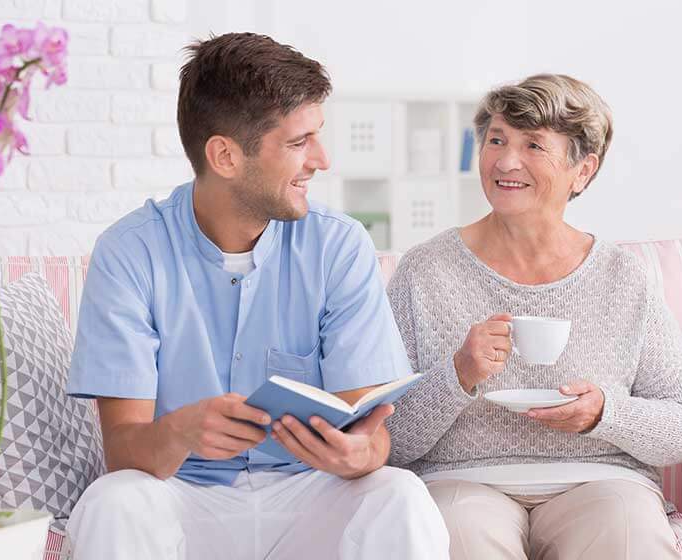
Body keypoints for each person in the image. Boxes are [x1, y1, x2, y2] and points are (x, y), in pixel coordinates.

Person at [65, 33, 448, 560]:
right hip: (183, 496)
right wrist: (179, 432)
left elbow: (373, 435)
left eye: (317, 136)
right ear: (224, 155)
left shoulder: (338, 245)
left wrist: (358, 454)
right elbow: (124, 451)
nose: (322, 159)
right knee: (113, 501)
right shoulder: (130, 253)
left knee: (401, 495)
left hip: (311, 495)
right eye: (298, 143)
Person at [385, 74, 682, 560]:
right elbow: (386, 439)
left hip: (601, 479)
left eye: (533, 145)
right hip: (462, 479)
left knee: (627, 535)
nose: (505, 160)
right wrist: (457, 375)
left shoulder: (623, 277)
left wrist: (606, 413)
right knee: (460, 535)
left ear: (582, 170)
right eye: (496, 140)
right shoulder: (425, 271)